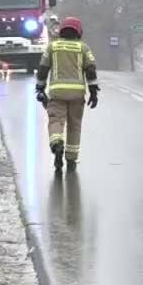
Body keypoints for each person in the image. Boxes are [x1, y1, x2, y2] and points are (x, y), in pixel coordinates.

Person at [35, 17, 100, 171]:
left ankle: (57, 143)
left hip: (57, 93)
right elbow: (90, 70)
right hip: (77, 94)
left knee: (55, 121)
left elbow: (43, 68)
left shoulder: (52, 47)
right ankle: (71, 158)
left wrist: (40, 88)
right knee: (75, 125)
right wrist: (93, 92)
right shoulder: (83, 48)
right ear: (79, 32)